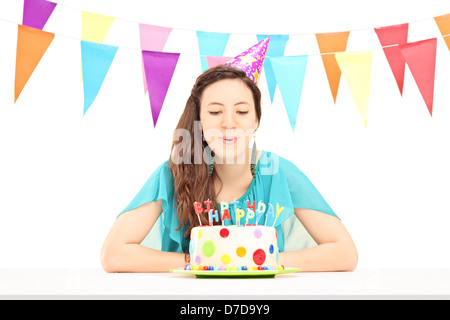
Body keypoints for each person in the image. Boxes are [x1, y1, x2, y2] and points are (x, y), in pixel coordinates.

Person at [101, 38, 358, 273]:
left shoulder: (279, 172)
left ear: (257, 119)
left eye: (242, 112)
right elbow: (113, 254)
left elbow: (345, 253)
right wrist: (202, 261)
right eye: (215, 112)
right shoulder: (173, 173)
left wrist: (255, 258)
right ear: (199, 119)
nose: (229, 123)